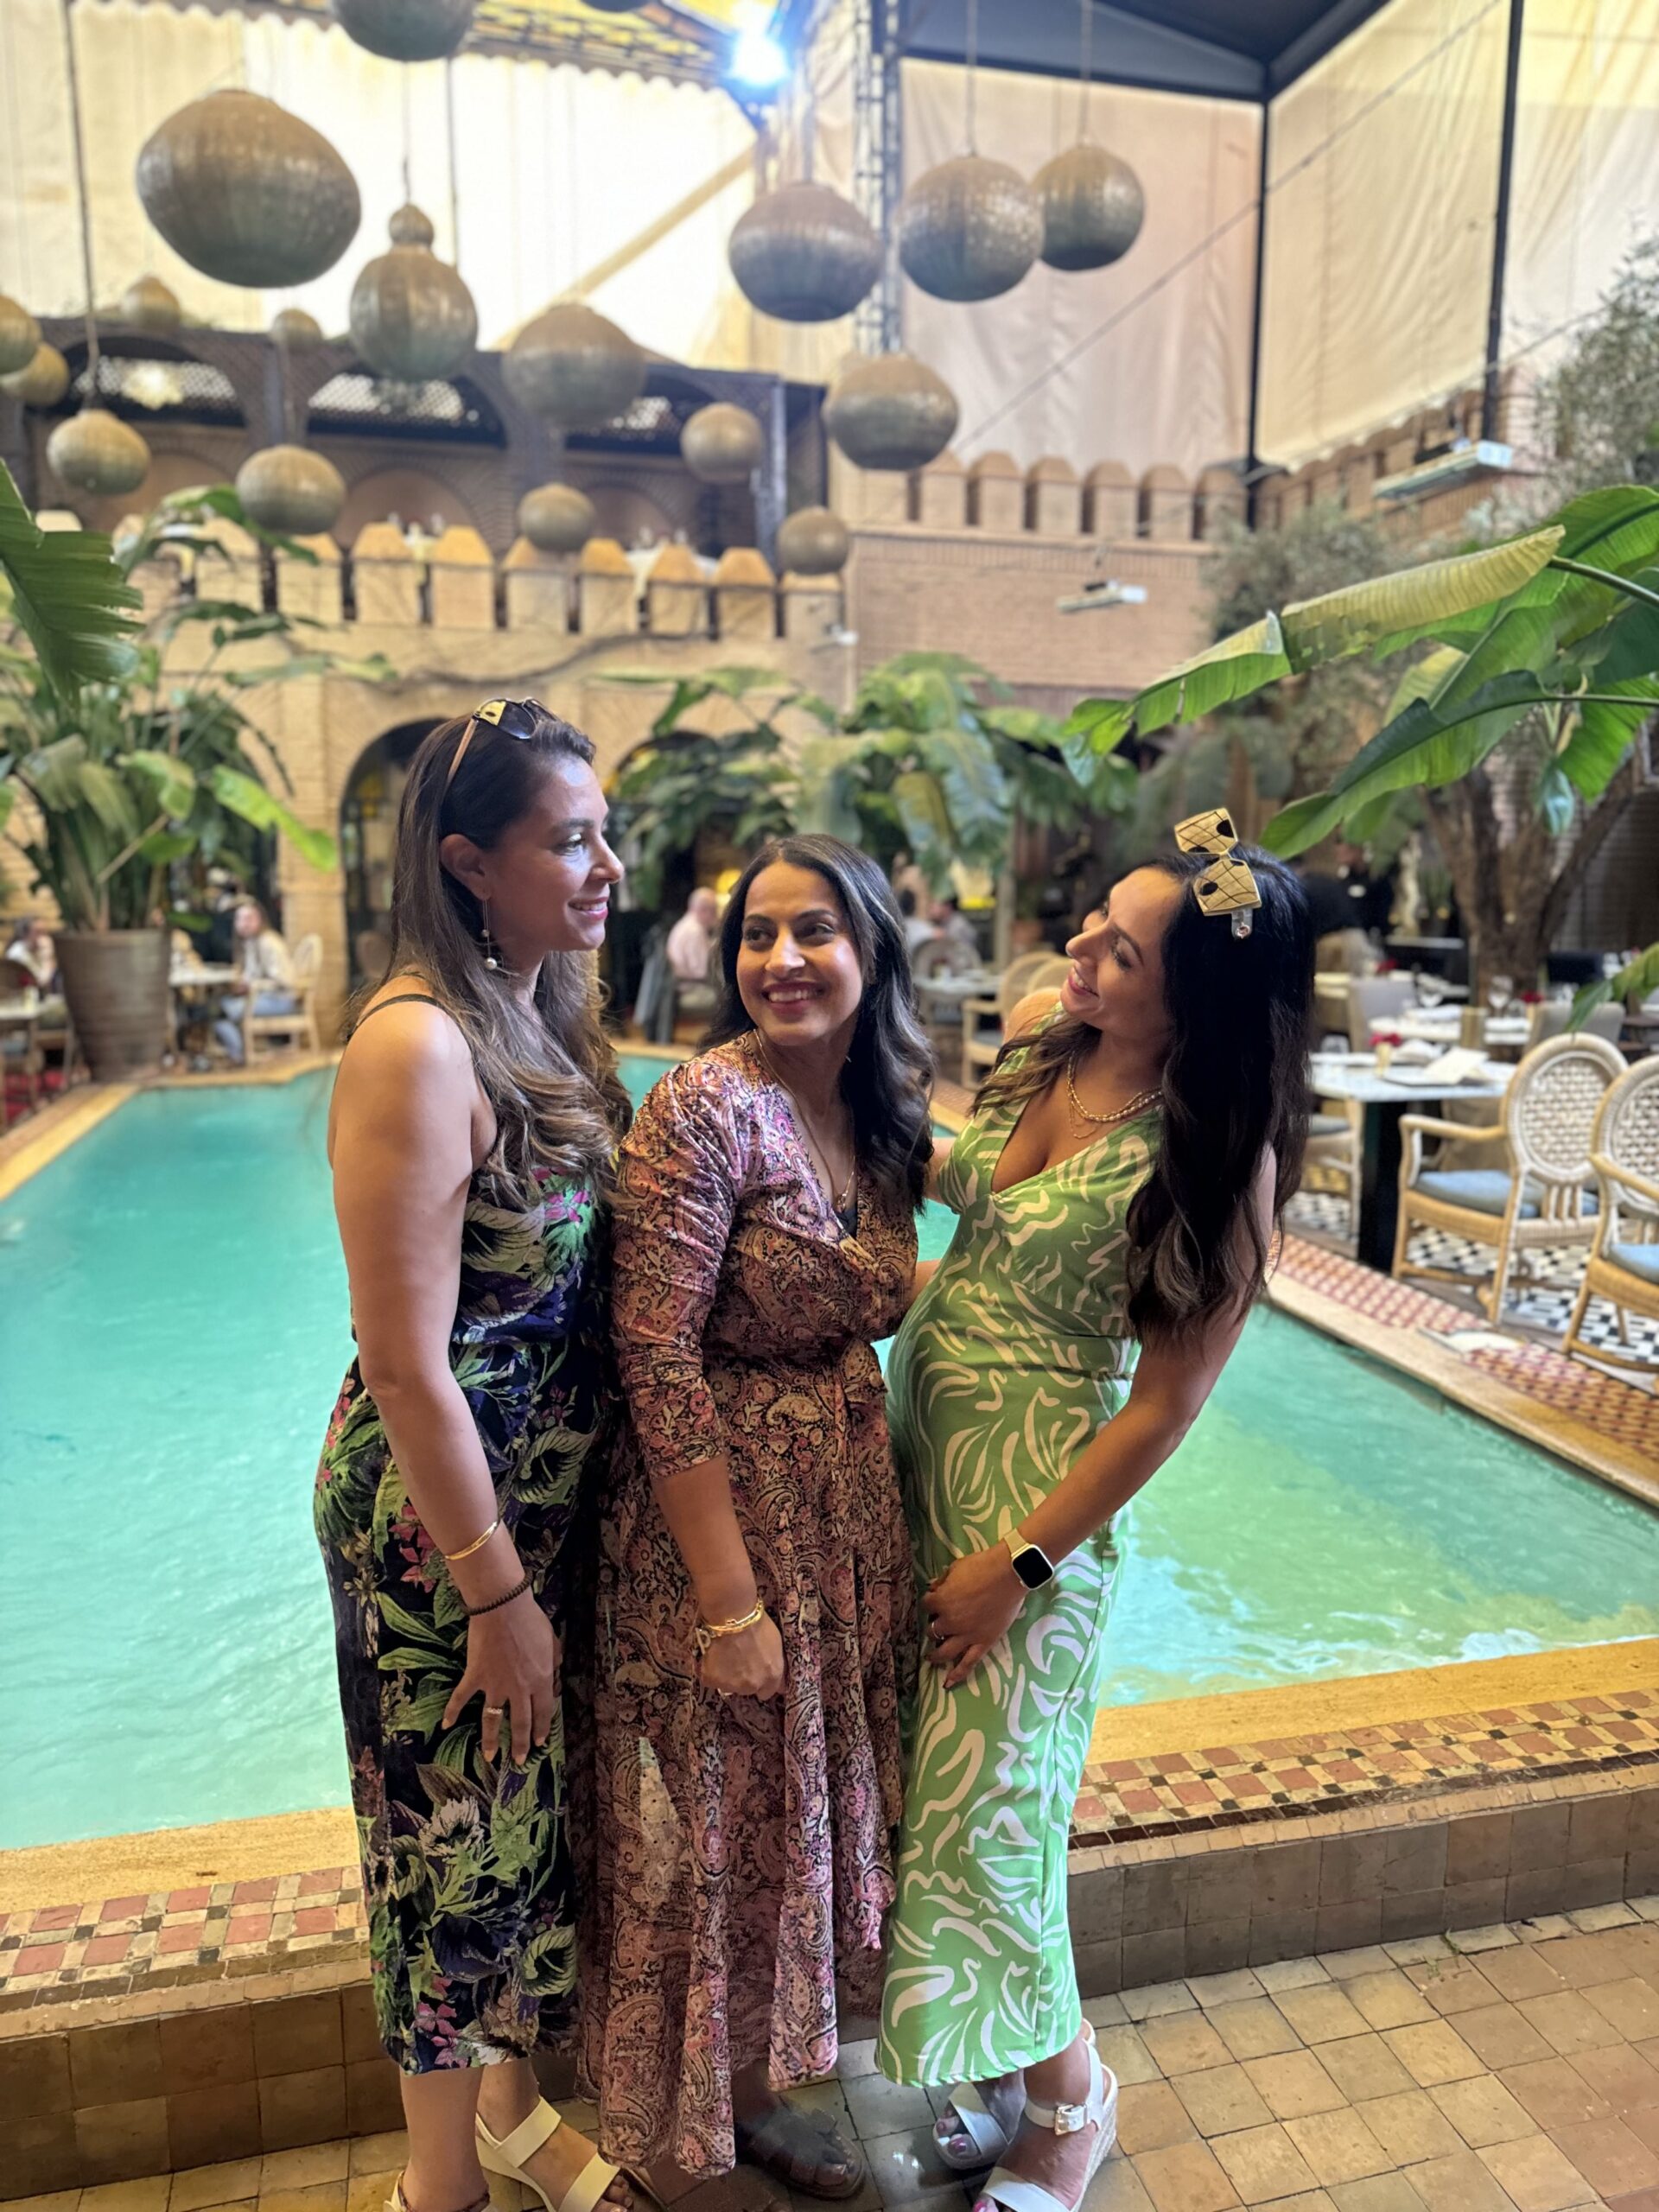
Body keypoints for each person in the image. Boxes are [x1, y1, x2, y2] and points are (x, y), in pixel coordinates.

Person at [876, 811, 1313, 2212]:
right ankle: (1001, 2073)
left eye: (1120, 952)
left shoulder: (1215, 1157)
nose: (1079, 950)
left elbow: (1163, 1408)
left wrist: (1016, 1568)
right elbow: (972, 1211)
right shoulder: (1041, 1047)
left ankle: (1072, 2100)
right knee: (923, 1802)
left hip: (1030, 1519)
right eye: (1096, 926)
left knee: (989, 1821)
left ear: (1195, 1003)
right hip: (919, 1467)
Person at [315, 699, 635, 2212]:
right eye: (569, 841)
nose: (607, 868)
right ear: (466, 863)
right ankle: (435, 2190)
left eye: (604, 833)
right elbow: (403, 1362)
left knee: (516, 1828)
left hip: (526, 1517)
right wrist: (495, 1594)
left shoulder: (527, 1001)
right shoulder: (416, 1046)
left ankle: (512, 2116)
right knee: (444, 1853)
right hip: (443, 1533)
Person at [588, 834, 932, 2194]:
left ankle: (760, 2087)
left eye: (816, 931)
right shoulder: (705, 1109)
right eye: (757, 934)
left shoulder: (882, 1109)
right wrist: (729, 1604)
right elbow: (654, 1356)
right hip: (720, 1540)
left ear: (873, 949)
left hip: (839, 1532)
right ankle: (691, 2124)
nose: (782, 960)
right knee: (716, 1830)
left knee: (792, 1823)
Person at [213, 900, 299, 1063]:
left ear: (260, 919)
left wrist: (251, 986)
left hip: (279, 1000)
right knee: (217, 1006)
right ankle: (239, 1052)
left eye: (249, 919)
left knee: (221, 1011)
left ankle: (239, 1055)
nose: (244, 924)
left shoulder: (269, 943)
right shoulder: (251, 943)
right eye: (240, 919)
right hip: (262, 998)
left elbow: (284, 980)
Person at [4, 916, 56, 994]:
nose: (43, 937)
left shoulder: (38, 951)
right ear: (25, 934)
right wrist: (47, 959)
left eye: (44, 932)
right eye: (38, 932)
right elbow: (40, 984)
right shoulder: (17, 954)